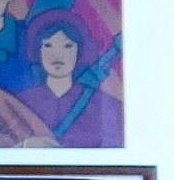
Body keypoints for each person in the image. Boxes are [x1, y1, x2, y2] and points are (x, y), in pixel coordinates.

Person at [16, 14, 122, 146]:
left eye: (68, 46)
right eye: (48, 45)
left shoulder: (105, 106)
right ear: (38, 51)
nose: (58, 54)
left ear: (80, 51)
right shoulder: (21, 103)